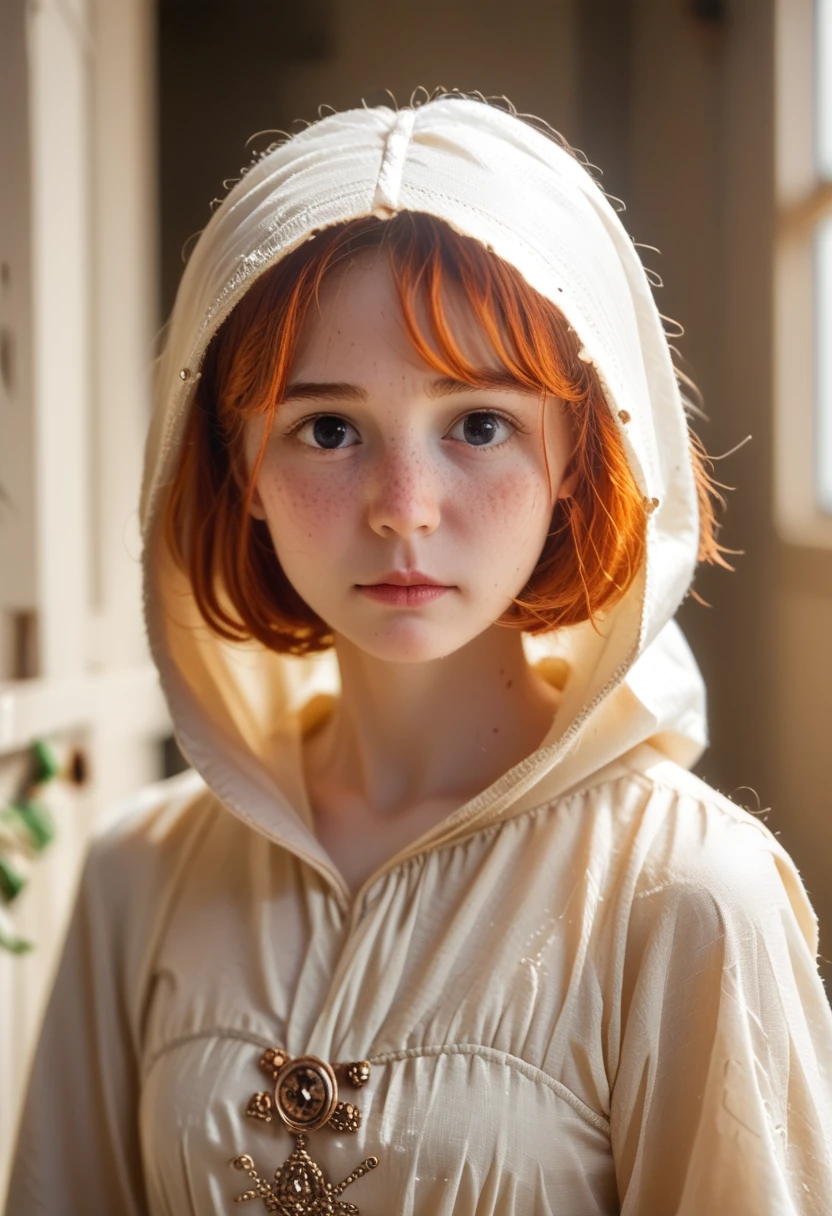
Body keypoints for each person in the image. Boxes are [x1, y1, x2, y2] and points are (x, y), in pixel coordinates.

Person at [5, 94, 832, 1216]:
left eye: (479, 423)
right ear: (238, 465)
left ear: (580, 456)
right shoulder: (136, 875)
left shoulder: (689, 896)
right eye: (328, 429)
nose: (404, 510)